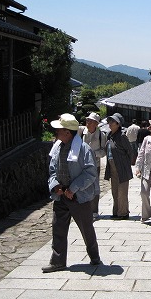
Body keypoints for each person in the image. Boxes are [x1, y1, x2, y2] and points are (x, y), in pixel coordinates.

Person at [43, 113, 102, 273]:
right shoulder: (57, 147)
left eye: (59, 130)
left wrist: (72, 188)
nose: (56, 133)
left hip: (78, 197)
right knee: (58, 228)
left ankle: (94, 256)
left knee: (86, 228)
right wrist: (56, 186)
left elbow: (90, 173)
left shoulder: (83, 149)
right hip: (61, 195)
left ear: (68, 132)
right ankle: (57, 261)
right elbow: (52, 169)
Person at [104, 113, 133, 219]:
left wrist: (125, 163)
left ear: (118, 124)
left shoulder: (122, 136)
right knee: (114, 191)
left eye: (112, 122)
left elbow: (129, 151)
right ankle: (116, 211)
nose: (110, 124)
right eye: (109, 121)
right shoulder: (109, 135)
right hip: (112, 167)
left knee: (122, 192)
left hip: (122, 167)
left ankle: (123, 212)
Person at [79, 112, 106, 220]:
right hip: (81, 164)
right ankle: (83, 210)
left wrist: (94, 154)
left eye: (90, 121)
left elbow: (103, 151)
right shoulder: (81, 132)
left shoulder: (101, 135)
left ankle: (94, 211)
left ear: (96, 123)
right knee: (82, 186)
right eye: (87, 120)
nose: (88, 123)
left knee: (95, 187)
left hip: (95, 165)